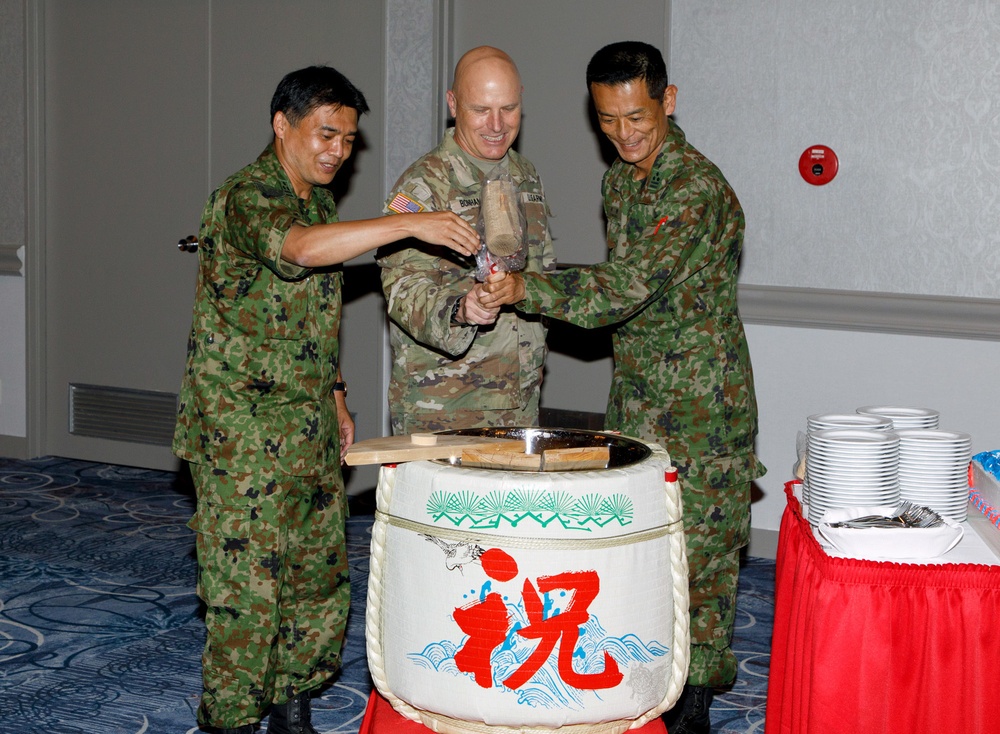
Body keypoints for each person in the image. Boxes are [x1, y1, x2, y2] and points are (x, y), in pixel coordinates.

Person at [172, 65, 478, 734]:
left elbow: (310, 315)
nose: (337, 151)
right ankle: (230, 719)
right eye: (325, 134)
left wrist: (336, 396)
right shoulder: (249, 197)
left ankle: (294, 709)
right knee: (248, 592)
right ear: (282, 126)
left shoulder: (314, 199)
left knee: (316, 577)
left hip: (304, 422)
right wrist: (410, 225)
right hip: (241, 435)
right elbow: (303, 253)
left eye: (348, 139)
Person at [481, 41, 765, 734]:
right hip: (640, 393)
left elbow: (623, 290)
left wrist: (527, 290)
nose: (624, 134)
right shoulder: (624, 182)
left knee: (700, 557)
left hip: (702, 402)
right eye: (607, 120)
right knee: (644, 545)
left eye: (637, 116)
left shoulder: (693, 186)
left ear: (668, 101)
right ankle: (650, 682)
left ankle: (695, 702)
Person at [375, 46, 556, 434]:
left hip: (519, 404)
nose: (496, 124)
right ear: (453, 105)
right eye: (480, 110)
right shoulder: (422, 187)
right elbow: (402, 292)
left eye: (508, 108)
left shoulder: (526, 176)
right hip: (445, 407)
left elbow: (542, 273)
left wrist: (535, 359)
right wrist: (461, 309)